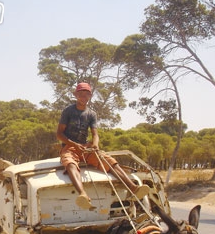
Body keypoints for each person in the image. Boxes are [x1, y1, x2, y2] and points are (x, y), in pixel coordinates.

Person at [56, 82, 149, 210]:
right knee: (70, 163)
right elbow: (59, 134)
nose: (83, 97)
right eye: (80, 94)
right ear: (76, 95)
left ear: (90, 96)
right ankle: (83, 194)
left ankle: (133, 187)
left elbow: (95, 134)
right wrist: (74, 145)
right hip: (70, 147)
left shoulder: (92, 114)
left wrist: (95, 145)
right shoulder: (68, 111)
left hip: (85, 147)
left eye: (86, 94)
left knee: (108, 160)